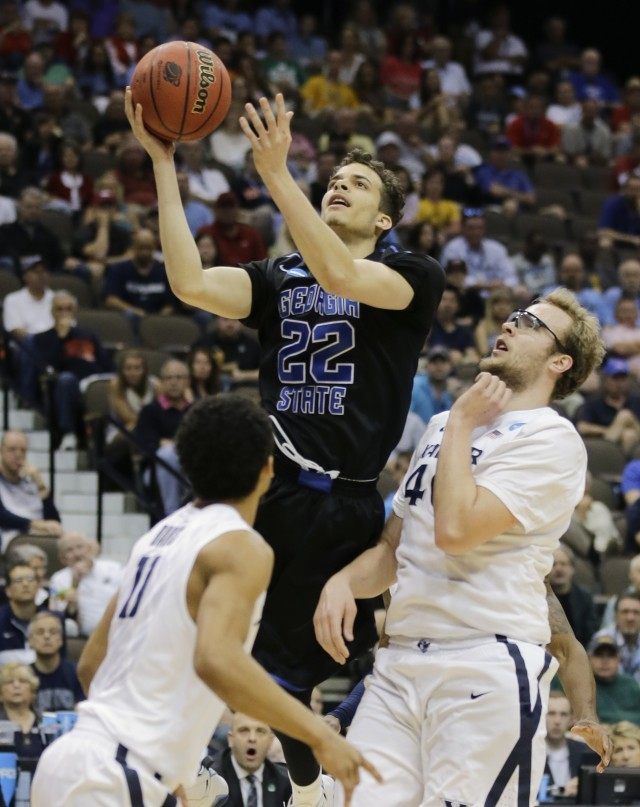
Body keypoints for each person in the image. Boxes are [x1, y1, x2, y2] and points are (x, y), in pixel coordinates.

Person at [125, 88, 443, 807]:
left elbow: (342, 275)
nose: (339, 183)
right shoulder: (279, 277)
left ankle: (306, 787)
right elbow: (189, 281)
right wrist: (164, 164)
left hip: (340, 504)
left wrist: (276, 175)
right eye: (335, 176)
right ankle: (194, 769)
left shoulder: (414, 276)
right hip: (263, 483)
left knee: (284, 678)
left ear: (385, 219)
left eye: (357, 183)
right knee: (188, 625)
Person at [314, 289, 610, 805]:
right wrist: (342, 583)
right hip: (400, 665)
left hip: (485, 662)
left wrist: (463, 424)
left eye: (530, 323)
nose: (510, 324)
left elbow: (456, 531)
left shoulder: (552, 440)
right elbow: (395, 549)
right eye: (513, 316)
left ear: (560, 361)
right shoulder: (442, 425)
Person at [31, 394, 380, 806]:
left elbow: (91, 667)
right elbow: (216, 660)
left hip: (72, 758)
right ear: (269, 467)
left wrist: (181, 767)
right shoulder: (239, 545)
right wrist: (320, 735)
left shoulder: (156, 536)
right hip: (120, 771)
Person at [48, 532, 122, 637]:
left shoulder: (114, 568)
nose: (77, 553)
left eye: (80, 547)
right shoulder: (58, 580)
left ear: (89, 549)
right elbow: (61, 616)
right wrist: (75, 582)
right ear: (62, 558)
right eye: (69, 550)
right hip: (82, 637)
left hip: (117, 632)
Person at [0, 429, 61, 552]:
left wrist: (41, 485)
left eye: (23, 450)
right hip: (10, 542)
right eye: (12, 449)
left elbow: (55, 521)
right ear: (1, 450)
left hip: (38, 540)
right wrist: (36, 524)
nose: (18, 455)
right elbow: (2, 516)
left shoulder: (31, 483)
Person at [214, 712, 292, 806]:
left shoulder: (287, 781)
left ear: (270, 741)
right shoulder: (209, 780)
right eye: (244, 730)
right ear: (231, 739)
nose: (252, 738)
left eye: (260, 731)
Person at [0, 561, 64, 666]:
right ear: (8, 590)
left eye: (30, 579)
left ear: (38, 586)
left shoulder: (54, 619)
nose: (25, 584)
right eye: (19, 580)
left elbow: (60, 663)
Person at [576, 357, 640, 455]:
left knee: (625, 415)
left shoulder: (636, 400)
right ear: (605, 379)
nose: (619, 384)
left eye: (623, 379)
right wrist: (613, 430)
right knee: (628, 435)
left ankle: (608, 453)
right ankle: (621, 465)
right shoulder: (594, 401)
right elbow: (582, 427)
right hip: (614, 442)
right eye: (615, 378)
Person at [544, 692, 598, 798]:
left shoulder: (587, 751)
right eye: (551, 713)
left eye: (563, 714)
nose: (557, 721)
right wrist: (562, 790)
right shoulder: (528, 752)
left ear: (572, 719)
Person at [29, 610, 83, 712]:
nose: (47, 636)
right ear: (30, 640)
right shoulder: (24, 677)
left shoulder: (77, 673)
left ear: (61, 640)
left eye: (53, 632)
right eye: (40, 632)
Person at [548, 545, 599, 648]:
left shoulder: (585, 598)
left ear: (572, 568)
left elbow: (590, 633)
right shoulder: (540, 597)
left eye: (563, 564)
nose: (558, 569)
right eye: (553, 564)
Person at [588, 636, 640, 725]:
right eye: (599, 655)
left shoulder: (630, 684)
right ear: (589, 658)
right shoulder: (583, 684)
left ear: (618, 659)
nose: (605, 661)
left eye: (610, 655)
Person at [591, 593, 640, 682]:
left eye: (636, 612)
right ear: (615, 616)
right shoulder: (601, 638)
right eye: (625, 612)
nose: (630, 618)